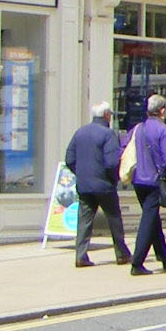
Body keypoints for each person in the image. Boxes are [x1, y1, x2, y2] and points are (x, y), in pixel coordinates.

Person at [125, 96, 166, 275]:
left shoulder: (137, 129)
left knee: (152, 219)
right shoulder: (164, 131)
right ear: (163, 111)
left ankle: (165, 257)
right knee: (148, 220)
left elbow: (124, 148)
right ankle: (137, 262)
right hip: (154, 180)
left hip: (138, 180)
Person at [64, 103, 126, 267]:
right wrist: (113, 180)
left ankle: (80, 255)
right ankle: (122, 253)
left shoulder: (80, 132)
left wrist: (81, 173)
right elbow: (112, 162)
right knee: (114, 219)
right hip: (104, 185)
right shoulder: (108, 134)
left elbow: (69, 159)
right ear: (106, 115)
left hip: (84, 185)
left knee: (84, 221)